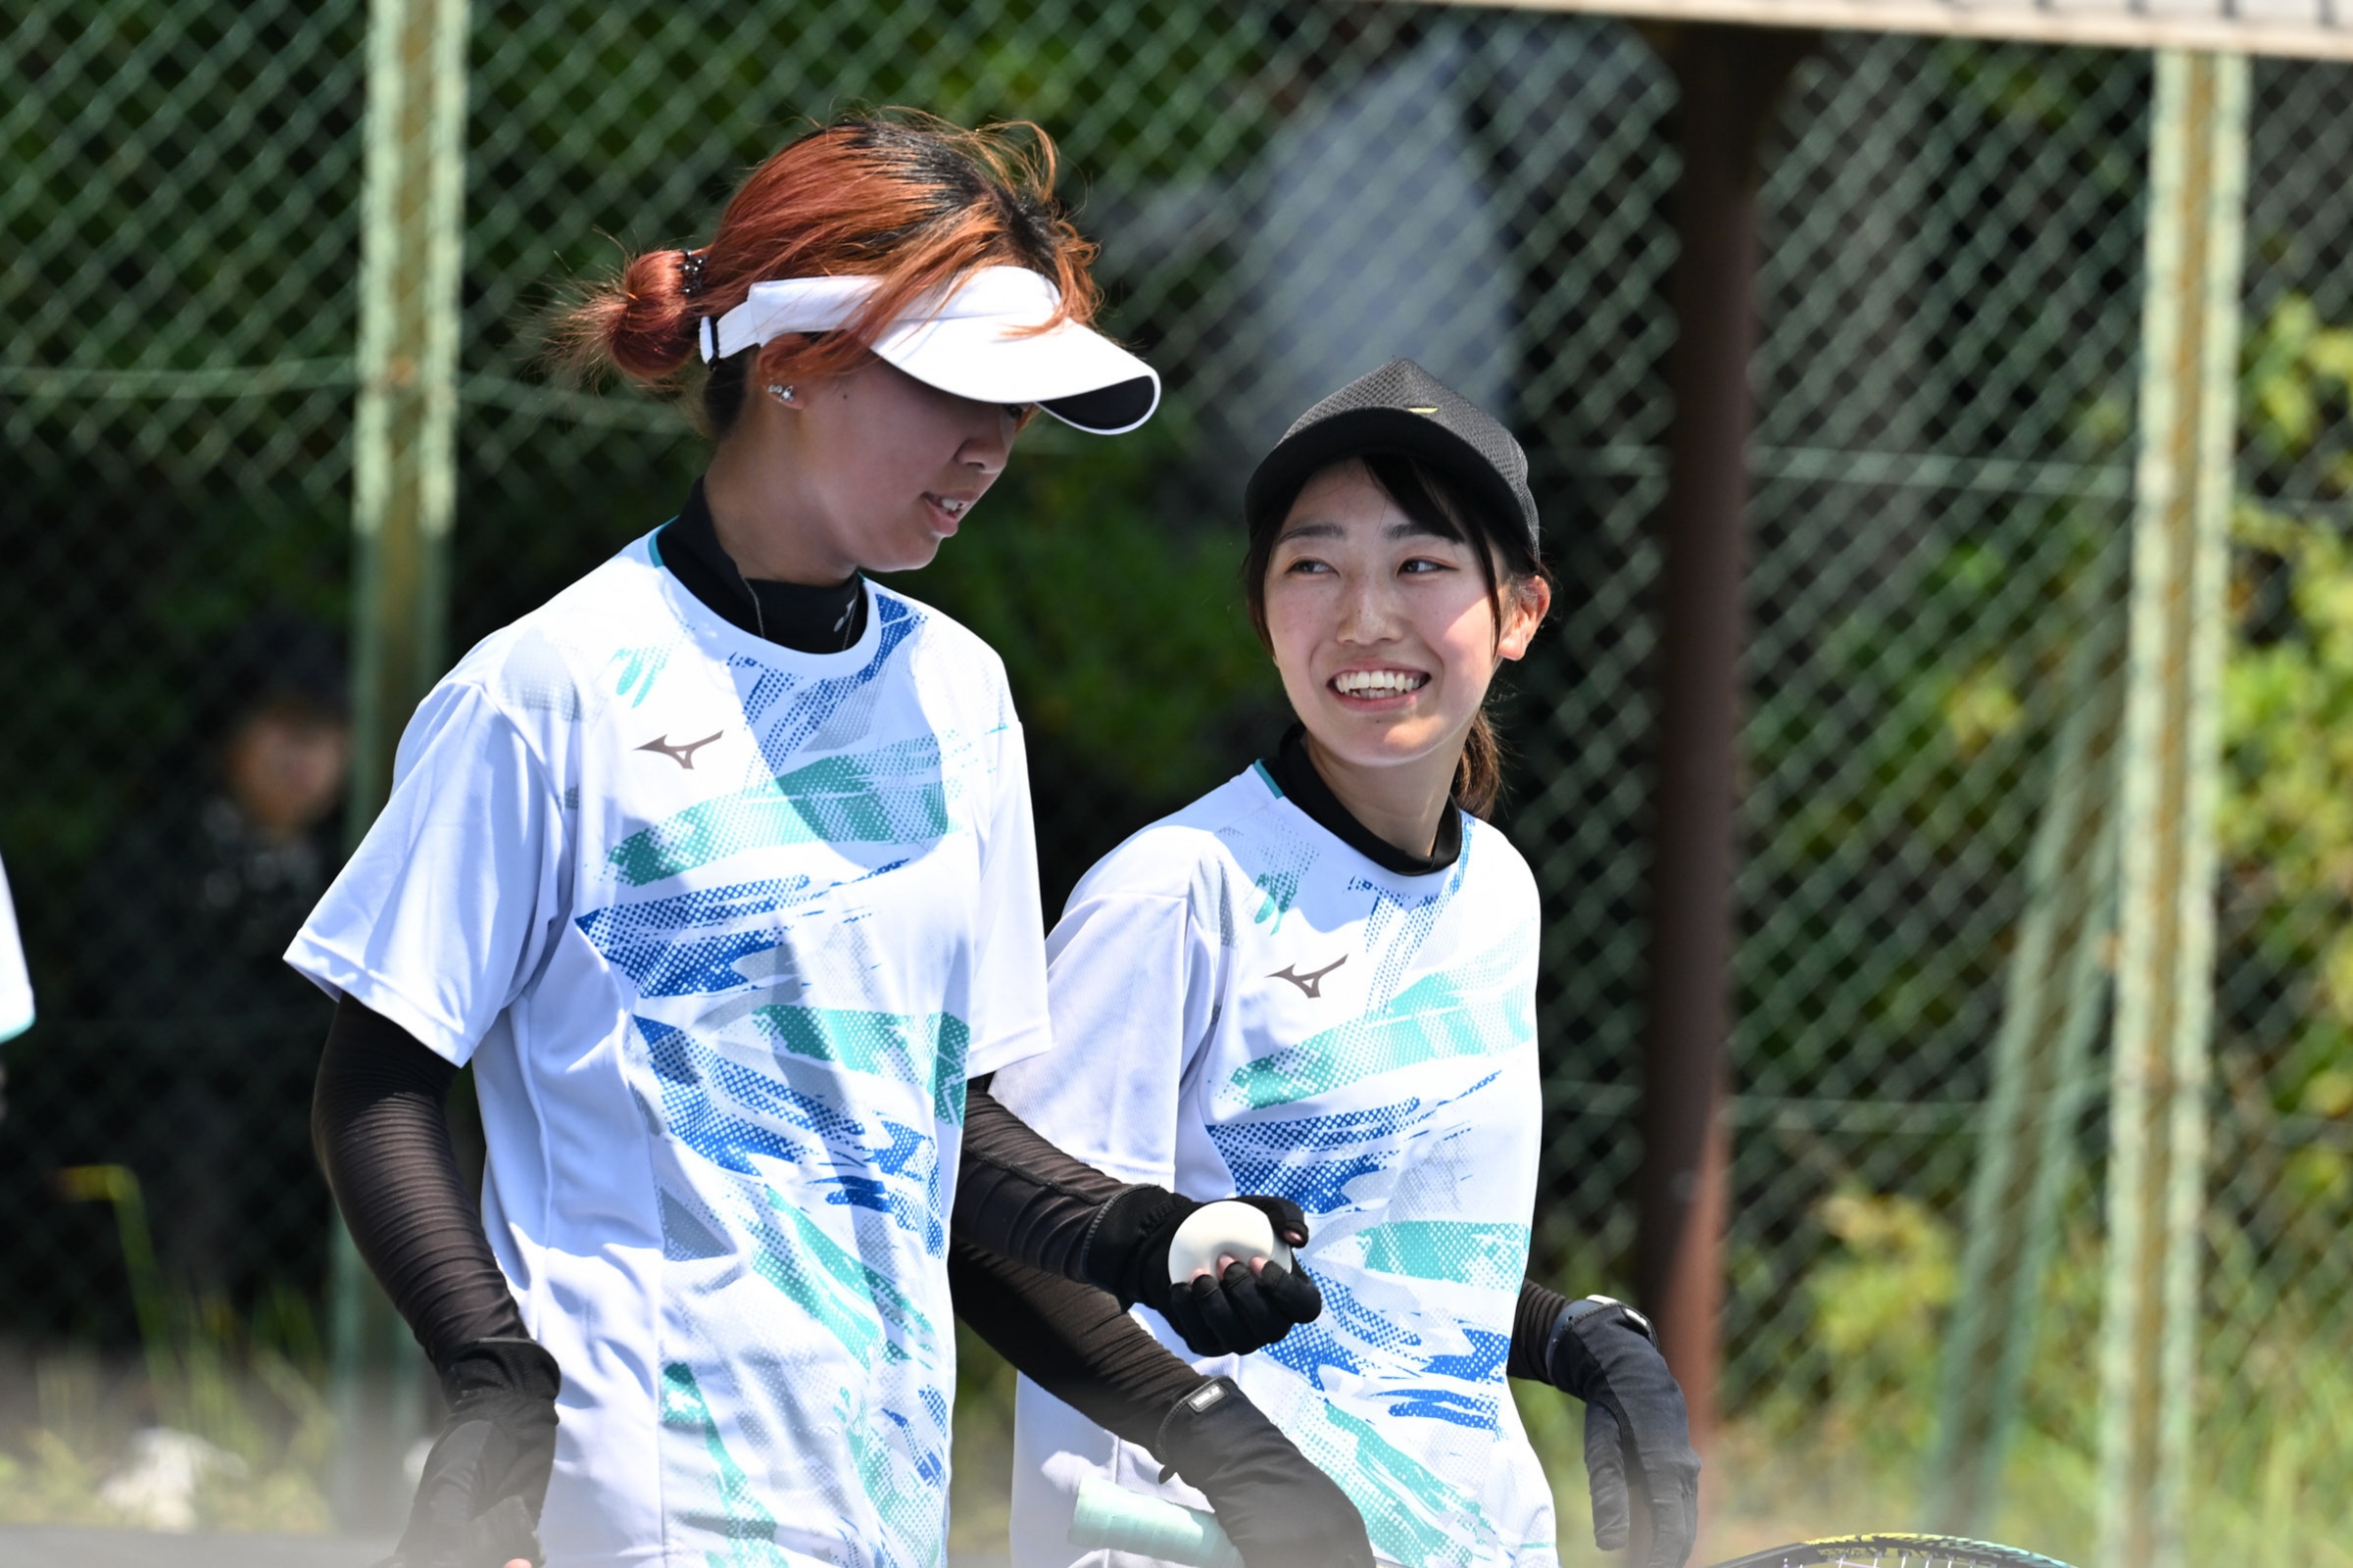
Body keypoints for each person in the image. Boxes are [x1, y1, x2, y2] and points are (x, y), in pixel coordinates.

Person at [289, 114, 1317, 1568]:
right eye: (954, 390)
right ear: (788, 359)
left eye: (1020, 408)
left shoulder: (960, 695)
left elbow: (933, 1139)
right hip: (628, 1504)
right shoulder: (550, 687)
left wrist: (1175, 1325)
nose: (991, 447)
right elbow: (378, 1085)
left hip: (881, 1511)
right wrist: (492, 1387)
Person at [980, 360, 1703, 1568]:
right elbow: (1021, 1244)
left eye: (1420, 564)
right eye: (1313, 566)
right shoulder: (1173, 893)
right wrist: (1231, 1459)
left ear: (1520, 612)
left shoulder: (1499, 892)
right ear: (1262, 612)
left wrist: (1561, 1332)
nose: (1364, 617)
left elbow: (1366, 1251)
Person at [72, 612, 350, 1302]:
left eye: (325, 732)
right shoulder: (148, 858)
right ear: (228, 732)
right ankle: (180, 1350)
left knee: (401, 1123)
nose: (304, 755)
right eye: (283, 724)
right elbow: (145, 1020)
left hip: (299, 1125)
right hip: (161, 1124)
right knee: (193, 1126)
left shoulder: (356, 870)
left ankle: (417, 1352)